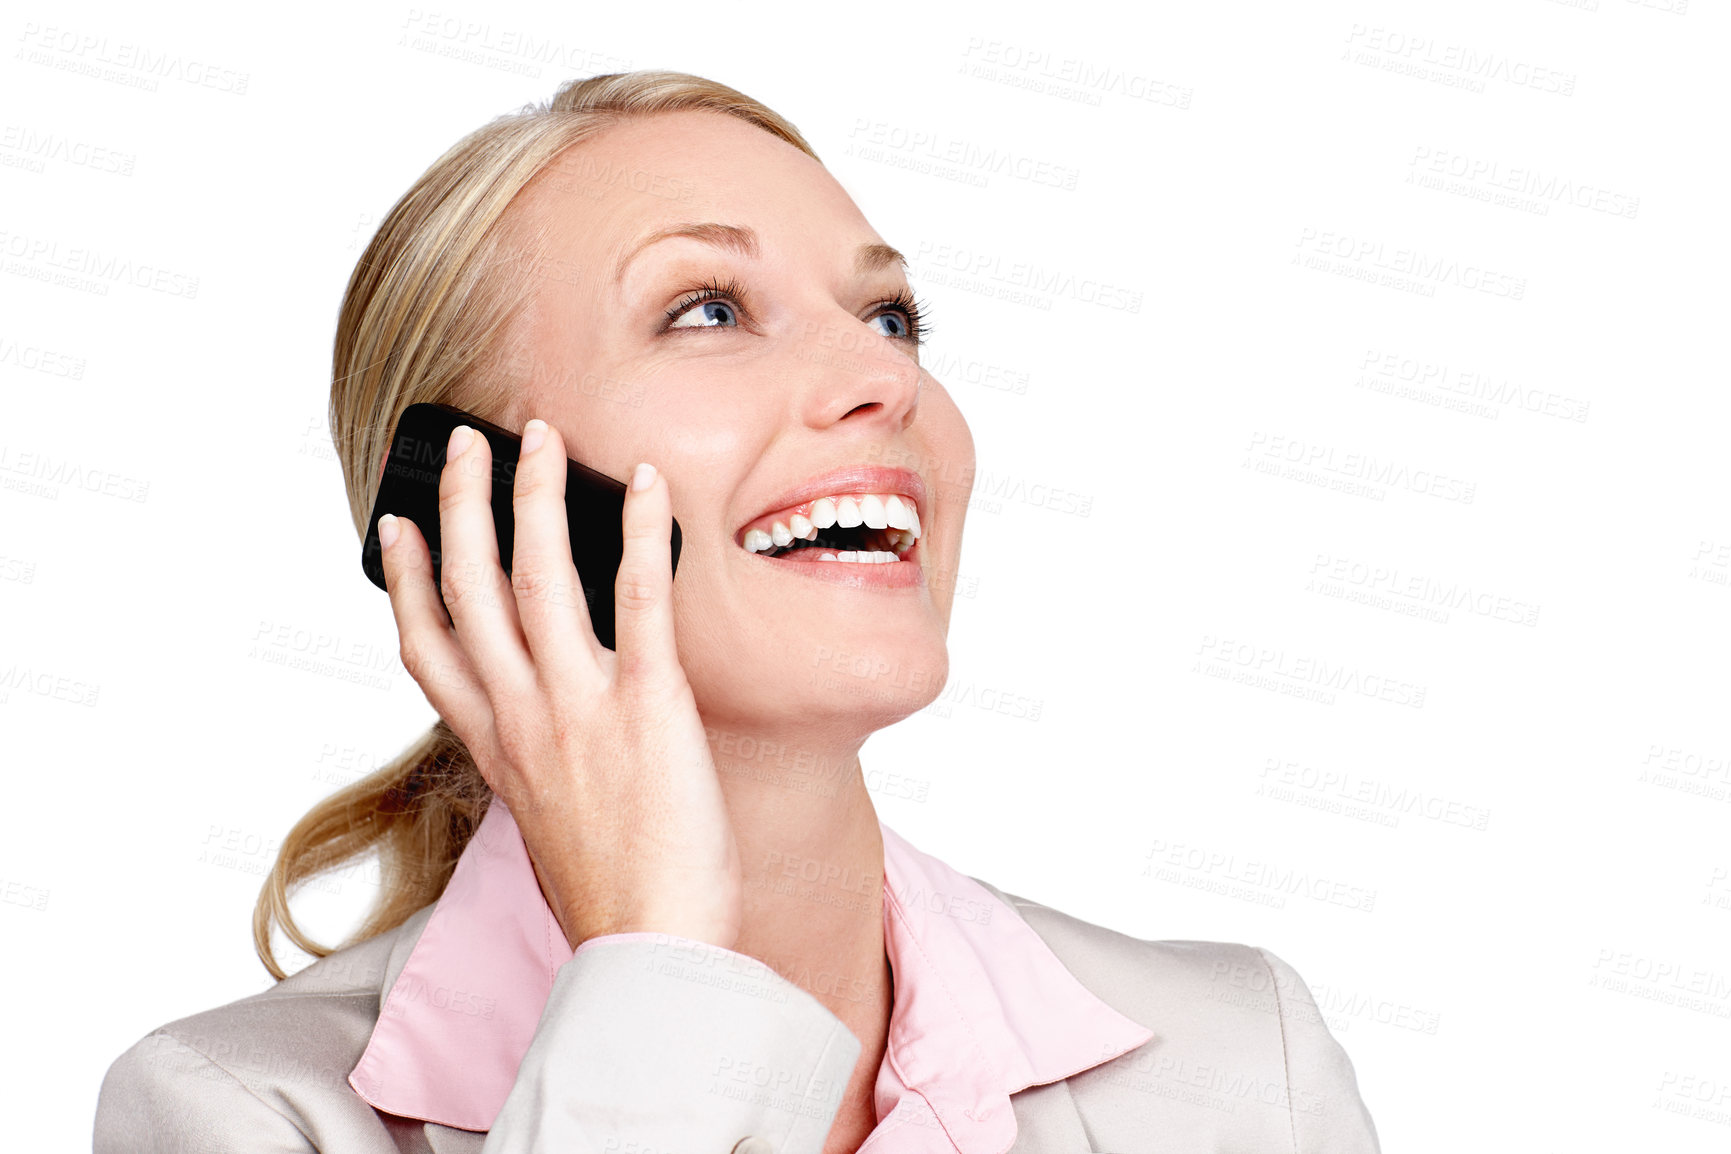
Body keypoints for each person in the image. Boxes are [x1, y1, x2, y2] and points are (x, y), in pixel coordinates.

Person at [94, 70, 1381, 1153]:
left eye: (892, 316)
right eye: (706, 310)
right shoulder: (241, 1113)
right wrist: (654, 967)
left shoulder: (1241, 1073)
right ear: (467, 502)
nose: (882, 373)